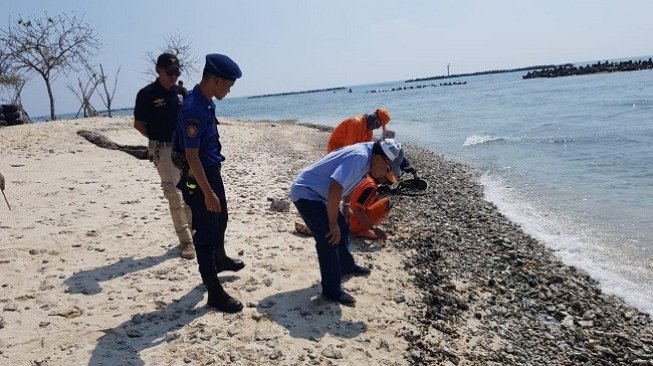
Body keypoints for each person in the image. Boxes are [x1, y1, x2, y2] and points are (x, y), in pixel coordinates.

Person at [290, 139, 404, 306]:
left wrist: (346, 206)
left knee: (344, 223)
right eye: (388, 168)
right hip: (307, 192)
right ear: (379, 159)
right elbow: (336, 187)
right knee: (329, 238)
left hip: (324, 194)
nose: (386, 174)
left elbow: (348, 184)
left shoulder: (370, 157)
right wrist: (332, 223)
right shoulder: (359, 157)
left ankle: (346, 265)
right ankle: (331, 291)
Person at [176, 53, 245, 313]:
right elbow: (192, 156)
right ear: (215, 80)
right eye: (228, 85)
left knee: (221, 219)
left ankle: (220, 258)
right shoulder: (193, 108)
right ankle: (214, 291)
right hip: (198, 178)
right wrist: (207, 193)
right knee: (205, 235)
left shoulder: (207, 102)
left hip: (211, 172)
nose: (229, 90)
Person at [134, 52, 195, 260]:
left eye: (176, 72)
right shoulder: (147, 94)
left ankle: (194, 231)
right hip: (164, 150)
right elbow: (139, 124)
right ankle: (186, 242)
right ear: (158, 71)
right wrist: (158, 140)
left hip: (185, 149)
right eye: (169, 72)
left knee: (190, 192)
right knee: (174, 196)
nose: (173, 76)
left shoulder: (182, 92)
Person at [326, 108, 391, 153]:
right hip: (335, 151)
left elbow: (364, 149)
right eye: (377, 124)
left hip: (347, 150)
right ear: (374, 116)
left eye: (379, 126)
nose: (376, 127)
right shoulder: (355, 123)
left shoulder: (369, 133)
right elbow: (347, 148)